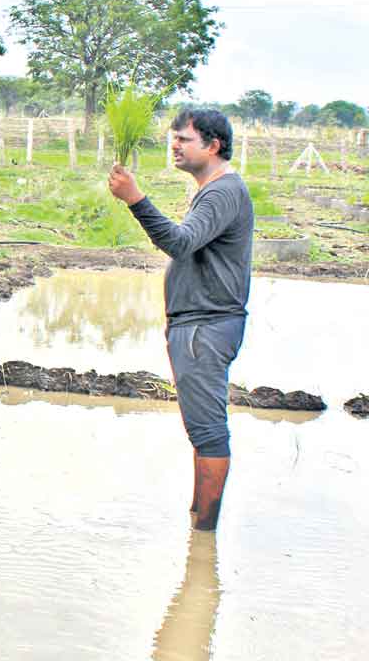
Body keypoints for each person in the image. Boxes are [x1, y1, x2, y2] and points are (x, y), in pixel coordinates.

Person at [106, 108, 253, 533]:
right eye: (173, 137)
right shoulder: (214, 189)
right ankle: (198, 519)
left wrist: (136, 199)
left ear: (213, 145)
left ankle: (203, 535)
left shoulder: (223, 191)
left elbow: (180, 242)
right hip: (200, 323)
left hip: (206, 324)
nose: (175, 145)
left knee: (207, 431)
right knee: (200, 428)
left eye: (184, 139)